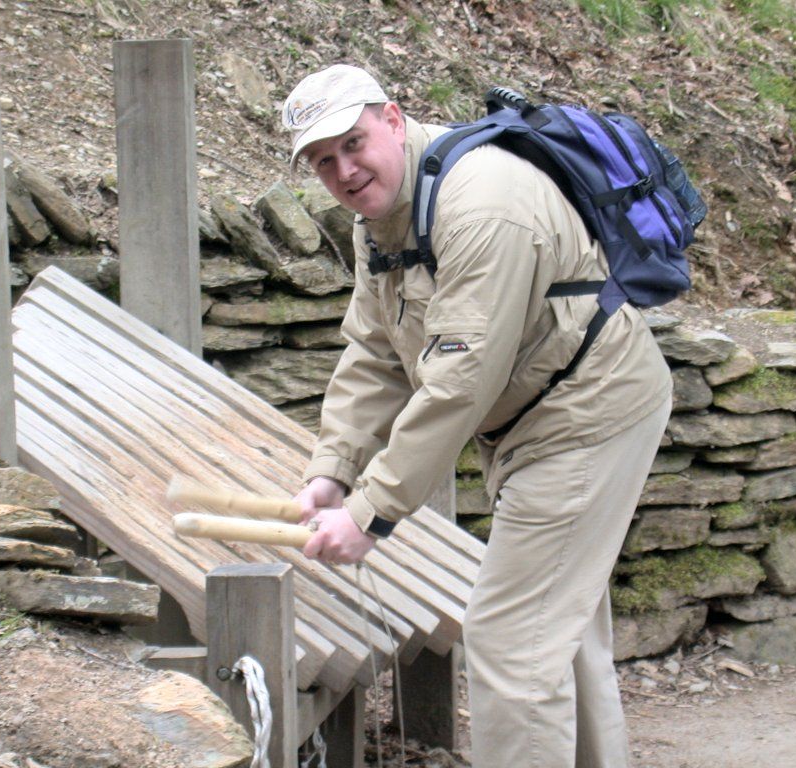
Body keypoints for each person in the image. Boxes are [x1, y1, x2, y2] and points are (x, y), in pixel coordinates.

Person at [282, 63, 673, 768]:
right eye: (322, 160)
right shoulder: (384, 219)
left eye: (353, 143)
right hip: (537, 420)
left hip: (588, 415)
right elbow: (374, 352)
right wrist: (331, 472)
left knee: (512, 639)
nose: (343, 170)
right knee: (559, 628)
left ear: (393, 120)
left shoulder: (483, 204)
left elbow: (459, 382)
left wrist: (372, 512)